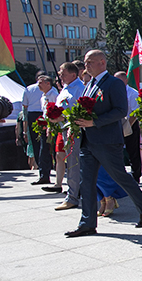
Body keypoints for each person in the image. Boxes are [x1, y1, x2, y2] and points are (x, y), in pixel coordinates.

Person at [65, 50, 142, 237]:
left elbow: (121, 110)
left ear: (102, 63)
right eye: (85, 62)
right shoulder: (89, 85)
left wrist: (94, 122)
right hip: (88, 141)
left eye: (90, 61)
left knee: (120, 177)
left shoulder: (113, 84)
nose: (86, 65)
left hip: (107, 141)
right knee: (87, 182)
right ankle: (87, 223)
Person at [52, 63, 86, 210]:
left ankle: (72, 197)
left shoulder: (80, 89)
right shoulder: (66, 89)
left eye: (63, 73)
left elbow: (81, 111)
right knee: (70, 163)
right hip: (66, 130)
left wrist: (63, 117)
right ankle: (74, 193)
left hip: (75, 131)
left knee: (73, 164)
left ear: (73, 75)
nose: (60, 75)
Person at [22, 74, 58, 185]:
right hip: (45, 124)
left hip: (54, 124)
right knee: (43, 150)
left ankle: (56, 172)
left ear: (48, 83)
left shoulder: (54, 94)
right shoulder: (43, 97)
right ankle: (44, 175)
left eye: (41, 83)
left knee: (52, 150)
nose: (38, 85)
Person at [113, 71, 142, 182]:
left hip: (130, 124)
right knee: (117, 151)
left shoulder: (132, 93)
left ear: (126, 80)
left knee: (133, 151)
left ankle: (136, 176)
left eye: (120, 80)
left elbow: (135, 112)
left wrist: (127, 126)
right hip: (117, 124)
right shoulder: (114, 92)